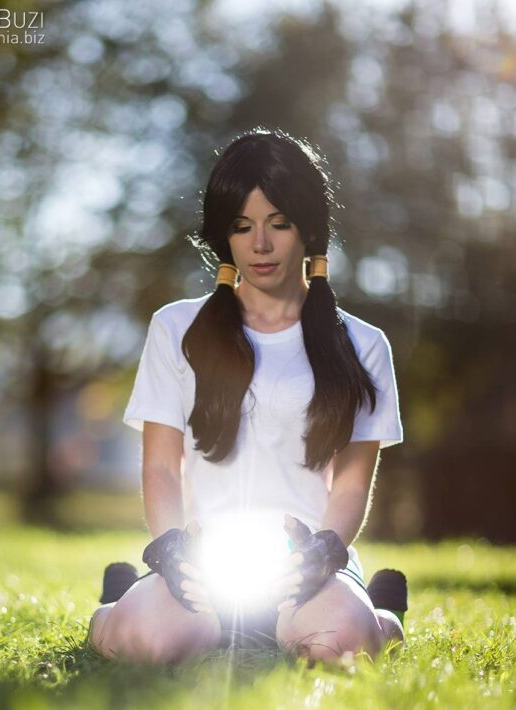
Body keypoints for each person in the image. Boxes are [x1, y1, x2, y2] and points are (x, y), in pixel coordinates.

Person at [88, 128, 408, 665]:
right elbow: (163, 469)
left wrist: (326, 551)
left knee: (343, 647)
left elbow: (352, 482)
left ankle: (379, 610)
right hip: (203, 562)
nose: (260, 244)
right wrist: (169, 549)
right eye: (242, 227)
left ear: (308, 229)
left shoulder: (364, 345)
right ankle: (117, 599)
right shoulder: (175, 329)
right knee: (144, 641)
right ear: (225, 238)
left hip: (308, 563)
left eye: (279, 224)